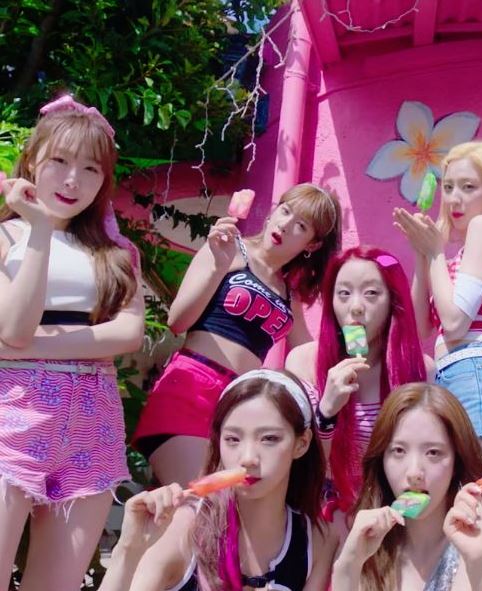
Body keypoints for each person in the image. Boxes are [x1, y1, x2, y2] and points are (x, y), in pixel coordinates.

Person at [0, 95, 144, 590]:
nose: (71, 180)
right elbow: (13, 327)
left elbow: (128, 333)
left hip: (93, 419)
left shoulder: (116, 252)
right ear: (31, 161)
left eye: (90, 169)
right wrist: (39, 230)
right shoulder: (6, 238)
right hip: (13, 412)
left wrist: (30, 348)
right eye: (59, 161)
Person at [132, 183, 341, 485]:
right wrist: (218, 267)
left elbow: (307, 358)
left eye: (301, 225)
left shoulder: (289, 295)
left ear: (313, 244)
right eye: (285, 211)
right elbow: (177, 321)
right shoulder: (228, 249)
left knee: (201, 506)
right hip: (191, 386)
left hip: (241, 406)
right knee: (202, 499)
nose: (285, 224)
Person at [102, 369, 337, 590]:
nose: (247, 458)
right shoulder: (182, 528)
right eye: (233, 439)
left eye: (269, 438)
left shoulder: (316, 542)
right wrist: (128, 549)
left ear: (301, 443)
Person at [394, 141, 482, 495]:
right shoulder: (458, 257)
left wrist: (435, 253)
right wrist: (423, 255)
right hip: (454, 377)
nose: (455, 198)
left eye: (469, 187)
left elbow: (455, 324)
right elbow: (421, 328)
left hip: (476, 374)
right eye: (450, 187)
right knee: (466, 504)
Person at [285, 246, 429, 514]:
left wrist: (399, 515)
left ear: (392, 301)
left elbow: (429, 464)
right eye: (344, 293)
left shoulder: (422, 371)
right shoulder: (302, 362)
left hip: (390, 509)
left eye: (371, 293)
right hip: (323, 509)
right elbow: (296, 463)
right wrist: (327, 410)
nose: (356, 307)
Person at [331, 382, 482, 590]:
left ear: (457, 461)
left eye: (433, 453)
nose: (414, 472)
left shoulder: (481, 516)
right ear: (381, 460)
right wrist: (348, 566)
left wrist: (477, 561)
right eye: (399, 451)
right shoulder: (371, 539)